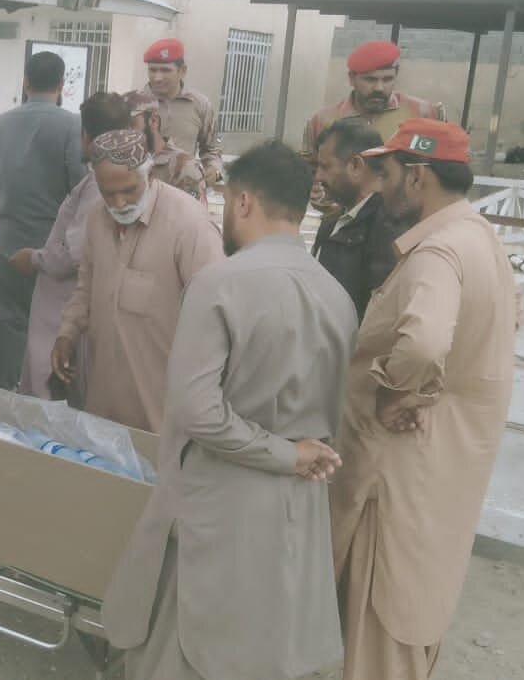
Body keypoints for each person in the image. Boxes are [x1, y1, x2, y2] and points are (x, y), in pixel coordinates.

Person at [102, 140, 357, 680]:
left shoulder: (220, 283)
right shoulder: (337, 295)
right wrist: (297, 455)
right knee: (262, 647)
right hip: (294, 507)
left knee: (184, 646)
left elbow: (197, 412)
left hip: (218, 502)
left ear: (243, 202)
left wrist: (283, 453)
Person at [329, 119, 516, 680]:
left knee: (381, 609)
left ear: (417, 177)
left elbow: (425, 341)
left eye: (387, 174)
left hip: (398, 467)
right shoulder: (478, 235)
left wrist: (394, 393)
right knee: (416, 595)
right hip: (446, 462)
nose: (380, 187)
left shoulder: (439, 252)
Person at [51, 130, 223, 433]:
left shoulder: (189, 224)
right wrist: (67, 333)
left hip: (162, 410)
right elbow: (85, 288)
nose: (119, 203)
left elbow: (218, 317)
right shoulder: (97, 218)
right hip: (105, 401)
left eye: (129, 191)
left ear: (150, 175)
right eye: (108, 193)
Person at [13, 92, 132, 405]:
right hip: (72, 303)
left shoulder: (99, 187)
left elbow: (73, 253)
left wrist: (34, 259)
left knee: (52, 390)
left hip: (64, 305)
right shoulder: (111, 182)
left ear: (86, 136)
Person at [0, 51, 85, 390]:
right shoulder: (72, 126)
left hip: (5, 239)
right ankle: (41, 397)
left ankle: (5, 392)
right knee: (49, 325)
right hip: (50, 246)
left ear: (25, 82)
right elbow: (80, 191)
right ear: (62, 84)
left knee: (5, 319)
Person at [304, 40, 444, 211]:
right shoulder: (323, 120)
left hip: (403, 217)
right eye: (370, 79)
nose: (379, 87)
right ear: (352, 78)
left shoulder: (423, 114)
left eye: (387, 79)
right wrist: (319, 195)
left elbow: (439, 167)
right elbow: (309, 173)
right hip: (341, 218)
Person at [312, 119, 405, 320]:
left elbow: (379, 315)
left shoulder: (387, 229)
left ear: (355, 165)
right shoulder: (334, 221)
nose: (318, 177)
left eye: (325, 167)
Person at [143, 38, 224, 185]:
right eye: (152, 70)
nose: (157, 78)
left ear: (182, 71)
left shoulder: (200, 104)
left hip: (184, 190)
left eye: (165, 70)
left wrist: (214, 170)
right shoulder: (132, 105)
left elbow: (212, 148)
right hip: (145, 191)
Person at [125, 89, 208, 205]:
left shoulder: (185, 167)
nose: (123, 134)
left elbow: (196, 214)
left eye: (130, 125)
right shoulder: (122, 164)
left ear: (153, 121)